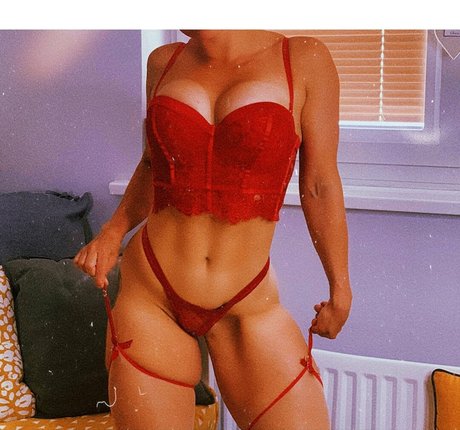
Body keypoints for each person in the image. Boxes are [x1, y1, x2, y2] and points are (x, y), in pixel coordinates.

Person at [74, 30, 352, 430]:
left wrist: (340, 287)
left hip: (247, 299)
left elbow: (319, 184)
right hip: (152, 295)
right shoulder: (163, 62)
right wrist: (112, 231)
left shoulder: (304, 58)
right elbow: (152, 165)